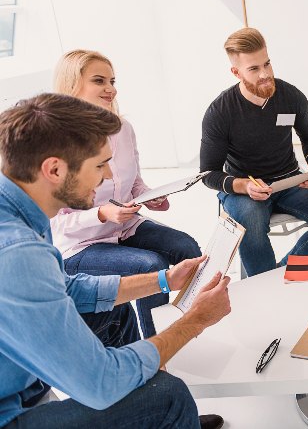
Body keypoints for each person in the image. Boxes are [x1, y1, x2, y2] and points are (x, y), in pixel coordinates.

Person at [0, 93, 230, 429]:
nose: (109, 176)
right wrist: (196, 320)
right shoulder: (18, 252)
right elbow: (101, 384)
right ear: (54, 169)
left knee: (114, 311)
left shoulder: (21, 207)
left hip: (16, 371)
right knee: (168, 396)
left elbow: (66, 288)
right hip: (9, 411)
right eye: (99, 165)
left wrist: (165, 279)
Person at [51, 50, 202, 338]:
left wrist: (152, 197)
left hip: (125, 226)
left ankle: (193, 328)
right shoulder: (57, 142)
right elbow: (56, 222)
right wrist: (102, 212)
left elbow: (135, 185)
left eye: (112, 80)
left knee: (187, 247)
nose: (110, 88)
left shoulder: (123, 128)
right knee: (151, 267)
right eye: (99, 81)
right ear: (73, 85)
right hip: (80, 245)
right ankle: (158, 344)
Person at [200, 27, 308, 276]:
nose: (266, 74)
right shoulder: (220, 112)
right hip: (243, 187)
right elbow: (208, 174)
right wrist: (244, 186)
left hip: (289, 180)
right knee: (251, 222)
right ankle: (267, 287)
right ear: (236, 73)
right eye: (254, 69)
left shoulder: (290, 96)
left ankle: (277, 278)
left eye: (267, 64)